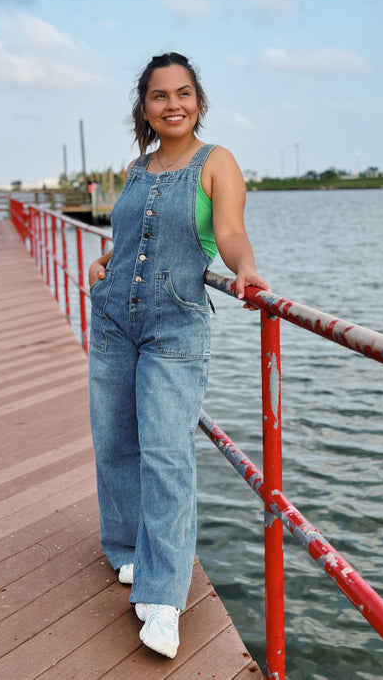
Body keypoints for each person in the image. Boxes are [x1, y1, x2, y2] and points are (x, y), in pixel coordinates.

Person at [88, 52, 269, 659]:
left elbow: (231, 230)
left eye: (183, 93)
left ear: (199, 100)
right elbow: (129, 237)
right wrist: (106, 261)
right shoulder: (136, 167)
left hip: (174, 325)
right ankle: (126, 551)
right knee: (114, 440)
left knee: (166, 456)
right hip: (114, 316)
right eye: (160, 95)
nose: (173, 104)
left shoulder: (215, 162)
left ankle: (164, 599)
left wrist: (245, 271)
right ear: (144, 107)